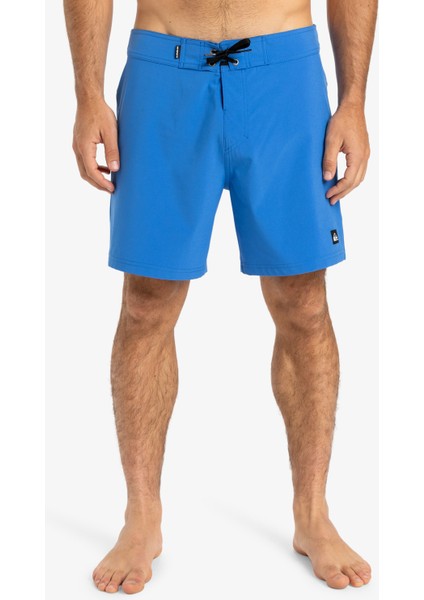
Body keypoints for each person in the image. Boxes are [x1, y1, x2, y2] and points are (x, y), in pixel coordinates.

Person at [64, 0, 377, 593]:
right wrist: (87, 94)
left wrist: (354, 101)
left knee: (305, 303)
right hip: (164, 69)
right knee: (145, 304)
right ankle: (141, 517)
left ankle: (313, 514)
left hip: (284, 73)